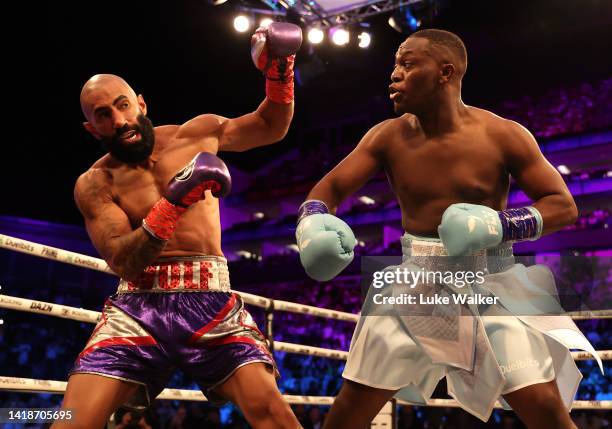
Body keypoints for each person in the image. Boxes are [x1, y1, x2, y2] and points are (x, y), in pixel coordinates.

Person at [295, 29, 602, 429]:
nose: (394, 74)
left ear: (445, 72)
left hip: (490, 280)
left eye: (407, 63)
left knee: (544, 406)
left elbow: (564, 205)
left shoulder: (503, 134)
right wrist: (312, 223)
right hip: (414, 284)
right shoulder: (386, 136)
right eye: (394, 64)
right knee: (351, 408)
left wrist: (499, 225)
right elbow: (330, 188)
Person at [51, 22, 303, 429]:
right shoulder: (95, 183)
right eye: (103, 115)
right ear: (92, 128)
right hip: (136, 309)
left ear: (141, 104)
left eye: (122, 105)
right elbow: (123, 260)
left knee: (274, 415)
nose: (118, 120)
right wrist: (175, 200)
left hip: (211, 300)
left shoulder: (197, 135)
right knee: (68, 421)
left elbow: (271, 125)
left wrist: (280, 69)